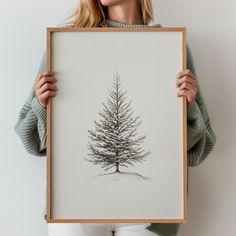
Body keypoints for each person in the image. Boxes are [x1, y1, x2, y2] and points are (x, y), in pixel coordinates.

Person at [14, 0, 217, 235]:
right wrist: (41, 104)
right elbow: (31, 141)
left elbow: (200, 150)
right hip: (75, 202)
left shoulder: (171, 46)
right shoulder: (66, 45)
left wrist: (189, 107)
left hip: (153, 208)